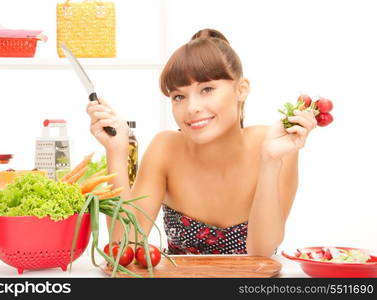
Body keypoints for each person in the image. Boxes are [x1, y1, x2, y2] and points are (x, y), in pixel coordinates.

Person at [86, 29, 317, 257]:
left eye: (207, 89)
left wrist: (270, 162)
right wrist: (116, 152)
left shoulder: (274, 146)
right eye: (179, 96)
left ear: (241, 89)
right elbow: (125, 245)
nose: (191, 108)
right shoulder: (165, 149)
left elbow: (261, 253)